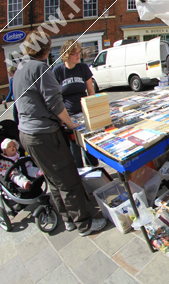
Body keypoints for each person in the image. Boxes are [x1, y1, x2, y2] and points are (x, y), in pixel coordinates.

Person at [13, 31, 107, 236]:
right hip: (44, 134)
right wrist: (72, 125)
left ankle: (68, 219)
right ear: (46, 49)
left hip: (27, 134)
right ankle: (84, 224)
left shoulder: (20, 68)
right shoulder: (40, 68)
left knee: (53, 180)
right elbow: (55, 104)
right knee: (68, 179)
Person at [53, 39, 99, 168]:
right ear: (66, 55)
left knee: (88, 146)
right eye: (74, 53)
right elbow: (57, 96)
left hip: (84, 112)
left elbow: (90, 89)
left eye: (79, 52)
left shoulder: (83, 67)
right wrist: (61, 117)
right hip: (69, 114)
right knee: (75, 149)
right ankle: (80, 174)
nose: (78, 56)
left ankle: (94, 169)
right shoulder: (58, 71)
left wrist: (93, 107)